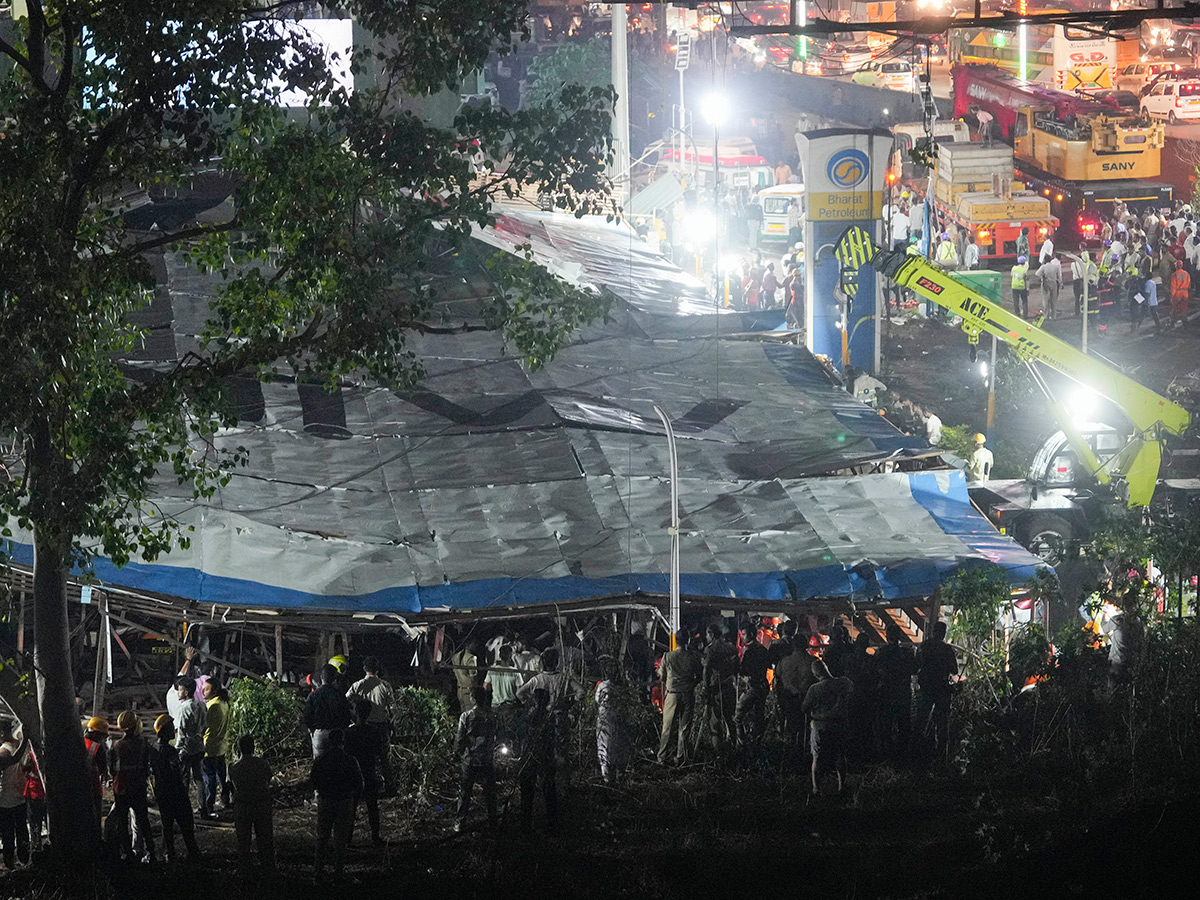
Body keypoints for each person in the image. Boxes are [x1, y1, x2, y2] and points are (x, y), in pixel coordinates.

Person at [311, 729, 362, 881]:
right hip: (344, 800)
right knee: (340, 839)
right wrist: (354, 799)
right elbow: (359, 783)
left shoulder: (321, 760)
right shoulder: (350, 760)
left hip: (326, 800)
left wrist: (320, 793)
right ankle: (338, 872)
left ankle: (318, 872)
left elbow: (313, 780)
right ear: (343, 742)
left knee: (322, 837)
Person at [149, 714, 201, 863]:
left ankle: (169, 854)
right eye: (171, 728)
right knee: (186, 822)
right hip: (175, 791)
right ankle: (193, 852)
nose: (174, 731)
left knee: (167, 824)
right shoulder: (170, 751)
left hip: (162, 792)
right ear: (164, 731)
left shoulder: (152, 748)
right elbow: (175, 771)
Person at [110, 711, 157, 863]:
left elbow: (112, 769)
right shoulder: (143, 744)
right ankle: (151, 852)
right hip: (138, 787)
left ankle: (128, 854)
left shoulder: (116, 746)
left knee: (122, 823)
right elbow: (146, 766)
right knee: (143, 821)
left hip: (121, 789)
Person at [801, 659, 853, 795]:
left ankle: (816, 789)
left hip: (820, 726)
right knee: (840, 755)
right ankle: (842, 786)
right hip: (839, 724)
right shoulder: (843, 683)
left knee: (817, 757)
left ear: (815, 675)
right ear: (826, 668)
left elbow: (804, 708)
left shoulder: (814, 689)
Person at [346, 656, 395, 793]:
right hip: (380, 726)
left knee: (364, 758)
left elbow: (345, 701)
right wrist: (392, 724)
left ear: (364, 669)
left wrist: (353, 714)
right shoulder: (385, 686)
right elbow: (392, 708)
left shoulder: (357, 685)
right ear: (378, 669)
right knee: (384, 757)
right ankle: (388, 786)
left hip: (363, 726)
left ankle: (363, 787)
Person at [228, 735, 275, 873]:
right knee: (265, 839)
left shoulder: (234, 767)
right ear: (253, 747)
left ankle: (245, 869)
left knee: (243, 841)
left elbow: (231, 786)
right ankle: (268, 868)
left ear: (239, 749)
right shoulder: (262, 763)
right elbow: (269, 778)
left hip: (243, 806)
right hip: (261, 804)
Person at [453, 685, 497, 833]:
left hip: (469, 759)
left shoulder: (466, 716)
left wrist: (458, 753)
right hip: (486, 759)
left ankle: (460, 822)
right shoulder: (492, 716)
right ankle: (493, 822)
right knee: (490, 793)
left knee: (465, 792)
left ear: (472, 698)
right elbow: (498, 735)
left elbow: (460, 738)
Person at [516, 687, 558, 834]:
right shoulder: (547, 717)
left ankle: (528, 823)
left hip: (533, 758)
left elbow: (519, 734)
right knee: (545, 790)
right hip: (539, 758)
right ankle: (549, 823)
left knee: (532, 792)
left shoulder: (533, 717)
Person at [875, 624, 918, 764]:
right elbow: (915, 669)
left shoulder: (882, 652)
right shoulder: (907, 652)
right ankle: (903, 756)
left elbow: (875, 670)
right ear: (899, 636)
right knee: (904, 725)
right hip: (903, 692)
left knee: (886, 725)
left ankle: (887, 756)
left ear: (887, 636)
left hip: (887, 692)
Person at [656, 630, 700, 765]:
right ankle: (681, 758)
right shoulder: (693, 657)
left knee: (667, 727)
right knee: (684, 728)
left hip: (672, 695)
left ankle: (662, 757)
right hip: (687, 694)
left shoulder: (668, 656)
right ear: (688, 640)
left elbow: (661, 675)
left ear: (676, 641)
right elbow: (699, 675)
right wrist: (691, 684)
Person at [916, 621, 959, 760]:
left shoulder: (924, 646)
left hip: (926, 688)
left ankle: (919, 754)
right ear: (943, 633)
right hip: (941, 688)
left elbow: (917, 666)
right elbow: (954, 670)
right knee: (942, 723)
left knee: (922, 721)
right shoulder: (947, 649)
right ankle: (941, 757)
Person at [345, 700, 385, 846]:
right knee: (372, 805)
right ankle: (375, 836)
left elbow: (347, 753)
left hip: (354, 773)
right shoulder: (374, 731)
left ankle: (347, 838)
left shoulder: (349, 732)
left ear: (356, 712)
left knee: (351, 807)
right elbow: (379, 752)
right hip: (369, 770)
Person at [734, 622, 771, 761]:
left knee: (738, 715)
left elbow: (743, 670)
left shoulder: (749, 651)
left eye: (743, 635)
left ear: (750, 634)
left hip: (753, 686)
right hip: (763, 686)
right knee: (757, 715)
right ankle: (755, 745)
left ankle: (742, 744)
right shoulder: (762, 649)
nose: (742, 637)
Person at [702, 624, 738, 753]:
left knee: (715, 721)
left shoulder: (710, 650)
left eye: (707, 634)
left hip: (716, 689)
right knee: (730, 718)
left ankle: (718, 751)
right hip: (730, 688)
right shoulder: (731, 648)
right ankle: (735, 745)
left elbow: (706, 670)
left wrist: (706, 688)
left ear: (711, 635)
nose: (706, 637)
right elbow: (737, 668)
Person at [773, 638, 814, 753]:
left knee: (791, 726)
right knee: (805, 729)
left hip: (789, 698)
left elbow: (778, 679)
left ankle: (790, 751)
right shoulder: (812, 661)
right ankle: (803, 752)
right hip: (806, 698)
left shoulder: (784, 661)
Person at [0, 720, 30, 871]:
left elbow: (13, 760)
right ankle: (24, 861)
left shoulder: (3, 752)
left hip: (5, 801)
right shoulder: (19, 745)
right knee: (22, 830)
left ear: (2, 734)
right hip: (20, 797)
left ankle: (10, 864)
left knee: (8, 835)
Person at [306, 663, 353, 759]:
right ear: (335, 679)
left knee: (320, 765)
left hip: (320, 734)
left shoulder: (313, 695)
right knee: (337, 763)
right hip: (337, 734)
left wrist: (312, 730)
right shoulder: (339, 695)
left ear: (321, 677)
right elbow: (347, 715)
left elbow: (307, 716)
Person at [594, 663, 630, 785]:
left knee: (604, 745)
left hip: (604, 717)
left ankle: (607, 778)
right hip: (618, 717)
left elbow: (597, 700)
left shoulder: (602, 686)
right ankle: (620, 775)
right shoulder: (622, 688)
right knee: (619, 745)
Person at [173, 676, 205, 809]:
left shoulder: (183, 709)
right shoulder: (201, 705)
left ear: (186, 692)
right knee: (199, 779)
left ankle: (184, 807)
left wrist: (177, 749)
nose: (178, 693)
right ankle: (203, 807)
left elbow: (181, 732)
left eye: (180, 690)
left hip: (186, 749)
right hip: (199, 746)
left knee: (184, 780)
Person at [201, 680, 231, 819]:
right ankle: (225, 800)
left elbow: (205, 728)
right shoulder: (224, 703)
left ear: (213, 692)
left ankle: (209, 806)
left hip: (210, 747)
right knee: (221, 776)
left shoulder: (212, 707)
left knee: (210, 779)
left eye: (206, 689)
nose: (202, 691)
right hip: (221, 745)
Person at [84, 716, 110, 823]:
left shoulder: (78, 742)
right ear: (96, 734)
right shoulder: (98, 748)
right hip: (93, 787)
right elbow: (103, 769)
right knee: (95, 817)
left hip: (78, 787)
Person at [451, 638, 483, 714]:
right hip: (468, 690)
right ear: (468, 645)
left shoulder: (455, 656)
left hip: (459, 689)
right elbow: (473, 675)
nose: (476, 646)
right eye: (474, 644)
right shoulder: (471, 658)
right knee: (471, 714)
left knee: (463, 713)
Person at [484, 644, 522, 709]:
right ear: (510, 656)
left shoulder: (492, 670)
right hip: (510, 707)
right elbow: (519, 691)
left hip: (496, 706)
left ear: (499, 655)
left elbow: (485, 686)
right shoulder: (515, 672)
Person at [22, 752, 45, 853]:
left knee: (34, 823)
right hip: (46, 793)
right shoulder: (50, 753)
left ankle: (36, 848)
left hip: (34, 793)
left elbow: (25, 771)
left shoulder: (31, 755)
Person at [1037, 253, 1062, 318]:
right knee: (1053, 300)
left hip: (1045, 283)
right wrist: (1060, 283)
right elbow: (1059, 277)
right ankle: (1053, 315)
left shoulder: (1043, 267)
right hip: (1054, 284)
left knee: (1045, 299)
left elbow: (1037, 273)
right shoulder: (1055, 267)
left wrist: (1042, 278)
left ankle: (1046, 315)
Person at [1170, 259, 1191, 328]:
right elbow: (1189, 284)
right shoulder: (1186, 274)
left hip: (1177, 293)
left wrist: (1172, 296)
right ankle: (1185, 323)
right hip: (1185, 293)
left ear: (1176, 266)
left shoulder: (1174, 275)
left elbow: (1173, 286)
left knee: (1174, 308)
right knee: (1184, 308)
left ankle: (1172, 323)